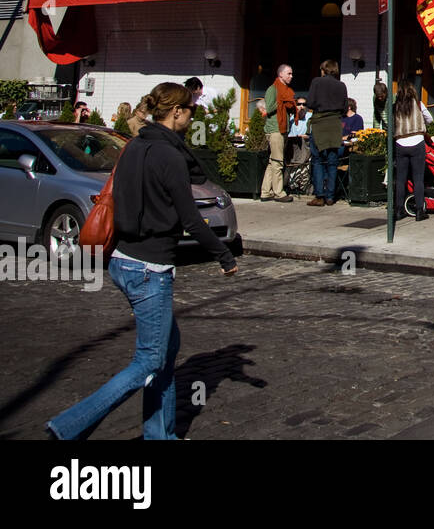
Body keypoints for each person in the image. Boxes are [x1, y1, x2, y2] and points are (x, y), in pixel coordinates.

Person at [46, 82, 237, 440]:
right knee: (149, 360)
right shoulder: (169, 156)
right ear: (177, 112)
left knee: (167, 350)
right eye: (190, 110)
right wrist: (223, 255)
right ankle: (68, 426)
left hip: (123, 259)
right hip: (150, 268)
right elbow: (191, 219)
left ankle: (159, 434)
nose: (192, 116)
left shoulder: (135, 146)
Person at [305, 60, 348, 206]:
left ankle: (319, 196)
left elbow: (310, 103)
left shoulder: (317, 82)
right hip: (335, 125)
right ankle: (330, 196)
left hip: (320, 123)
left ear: (324, 70)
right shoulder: (341, 85)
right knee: (332, 160)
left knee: (317, 160)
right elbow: (344, 107)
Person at [392, 80, 433, 220]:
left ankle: (398, 210)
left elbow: (390, 124)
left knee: (400, 179)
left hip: (400, 143)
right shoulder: (419, 105)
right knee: (418, 179)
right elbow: (430, 119)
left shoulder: (395, 106)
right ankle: (420, 211)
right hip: (417, 142)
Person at [260, 63, 295, 203]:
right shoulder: (273, 89)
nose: (291, 76)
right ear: (280, 74)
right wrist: (282, 101)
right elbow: (269, 107)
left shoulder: (285, 90)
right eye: (289, 73)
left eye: (292, 74)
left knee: (272, 161)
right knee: (278, 161)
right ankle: (279, 193)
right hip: (275, 130)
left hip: (283, 129)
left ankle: (265, 192)